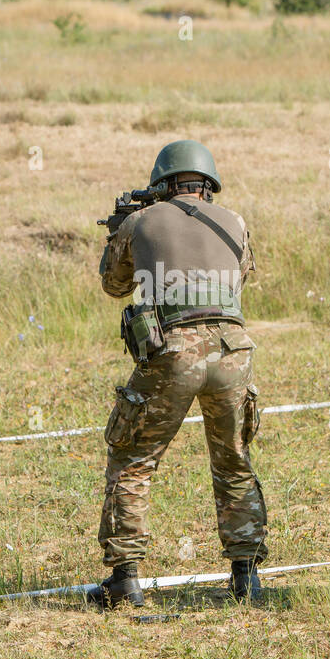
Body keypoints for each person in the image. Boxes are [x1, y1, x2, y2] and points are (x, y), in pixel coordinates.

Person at [93, 139, 266, 608]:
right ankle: (245, 575)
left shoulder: (142, 220)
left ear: (162, 183)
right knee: (233, 460)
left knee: (132, 459)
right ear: (207, 184)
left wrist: (123, 234)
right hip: (234, 350)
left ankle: (125, 579)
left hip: (172, 349)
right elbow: (239, 276)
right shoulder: (235, 221)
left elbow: (114, 285)